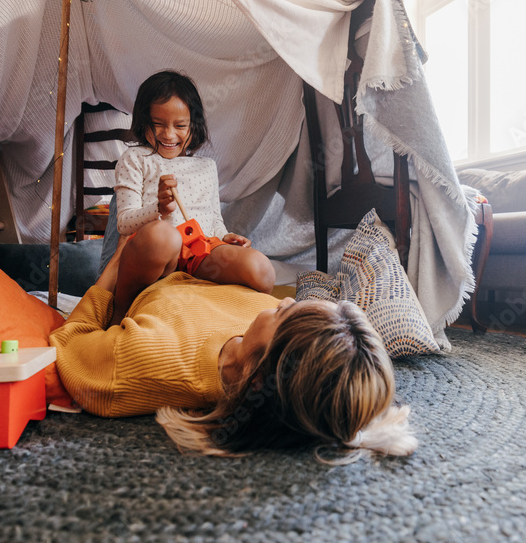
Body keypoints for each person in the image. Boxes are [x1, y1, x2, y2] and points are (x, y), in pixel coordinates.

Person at [50, 224, 418, 463]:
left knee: (156, 239)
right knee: (255, 268)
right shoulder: (266, 329)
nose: (286, 301)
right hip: (194, 275)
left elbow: (72, 338)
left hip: (148, 287)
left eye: (285, 315)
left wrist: (116, 264)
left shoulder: (138, 359)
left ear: (259, 378)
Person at [111, 70, 274, 317]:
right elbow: (124, 224)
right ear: (143, 121)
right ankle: (120, 309)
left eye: (180, 126)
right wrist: (159, 209)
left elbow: (213, 220)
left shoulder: (206, 166)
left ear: (193, 127)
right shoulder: (134, 159)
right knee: (164, 235)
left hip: (199, 251)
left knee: (260, 268)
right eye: (158, 124)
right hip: (154, 251)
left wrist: (226, 235)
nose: (168, 134)